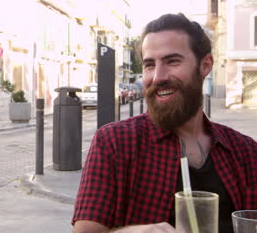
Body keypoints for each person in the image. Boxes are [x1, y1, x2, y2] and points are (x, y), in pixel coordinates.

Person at [72, 13, 257, 233]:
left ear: (205, 65)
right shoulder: (115, 143)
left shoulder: (246, 152)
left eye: (172, 61)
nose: (158, 76)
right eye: (149, 65)